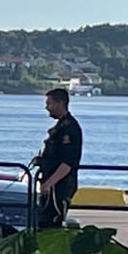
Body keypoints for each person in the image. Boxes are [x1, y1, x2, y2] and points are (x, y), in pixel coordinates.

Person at [34, 87, 83, 229]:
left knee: (51, 225)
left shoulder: (69, 128)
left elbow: (67, 162)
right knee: (43, 223)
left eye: (49, 103)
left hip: (59, 187)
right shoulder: (60, 126)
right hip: (52, 185)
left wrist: (49, 184)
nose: (47, 107)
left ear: (60, 103)